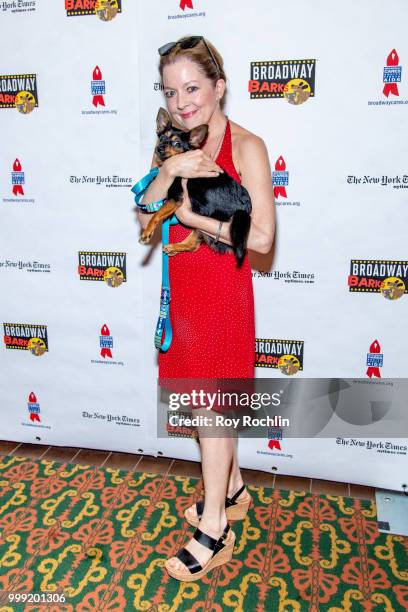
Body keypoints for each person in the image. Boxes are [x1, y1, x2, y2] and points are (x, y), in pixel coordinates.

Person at [137, 36, 275, 581]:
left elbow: (261, 237)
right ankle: (234, 486)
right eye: (171, 91)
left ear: (219, 86)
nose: (182, 101)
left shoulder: (248, 147)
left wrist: (197, 223)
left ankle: (215, 526)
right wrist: (171, 171)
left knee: (211, 408)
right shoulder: (172, 143)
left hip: (223, 293)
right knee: (201, 404)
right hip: (183, 294)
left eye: (193, 87)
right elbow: (146, 206)